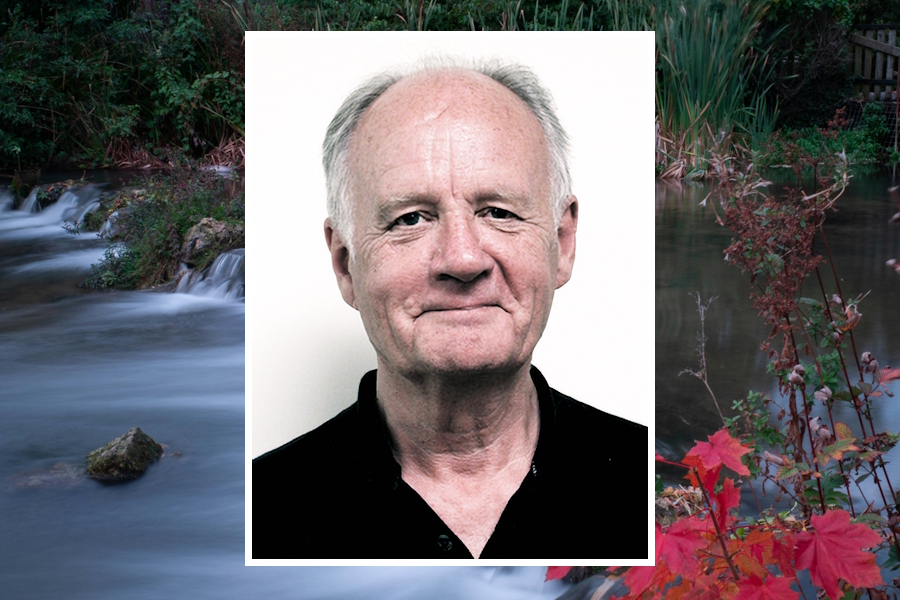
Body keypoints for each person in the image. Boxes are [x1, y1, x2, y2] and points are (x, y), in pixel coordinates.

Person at [252, 59, 648, 559]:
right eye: (410, 218)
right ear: (346, 264)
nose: (462, 258)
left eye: (499, 212)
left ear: (562, 244)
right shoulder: (256, 513)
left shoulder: (665, 488)